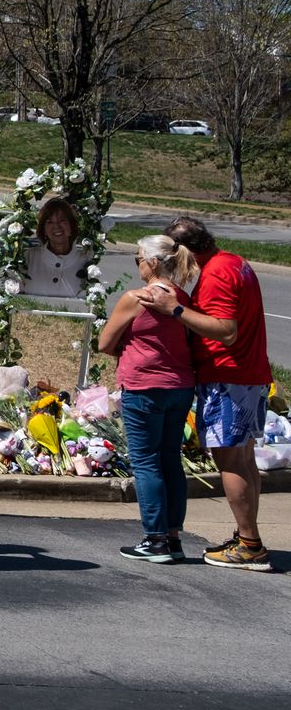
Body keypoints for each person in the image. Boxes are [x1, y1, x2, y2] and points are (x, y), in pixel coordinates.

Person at [140, 216, 272, 570]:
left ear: (184, 250)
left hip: (228, 375)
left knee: (229, 460)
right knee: (243, 459)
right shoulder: (234, 262)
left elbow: (225, 331)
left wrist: (177, 310)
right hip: (248, 373)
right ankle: (248, 537)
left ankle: (250, 545)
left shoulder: (215, 275)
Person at [97, 235, 200, 563]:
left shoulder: (137, 298)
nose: (138, 264)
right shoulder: (181, 297)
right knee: (170, 458)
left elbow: (105, 342)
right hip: (179, 386)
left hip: (144, 386)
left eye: (138, 259)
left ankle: (154, 538)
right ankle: (172, 537)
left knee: (145, 461)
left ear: (153, 263)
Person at [21, 198, 82, 297]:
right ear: (44, 230)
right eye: (50, 222)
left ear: (71, 226)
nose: (56, 226)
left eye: (62, 220)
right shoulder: (29, 257)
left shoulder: (86, 262)